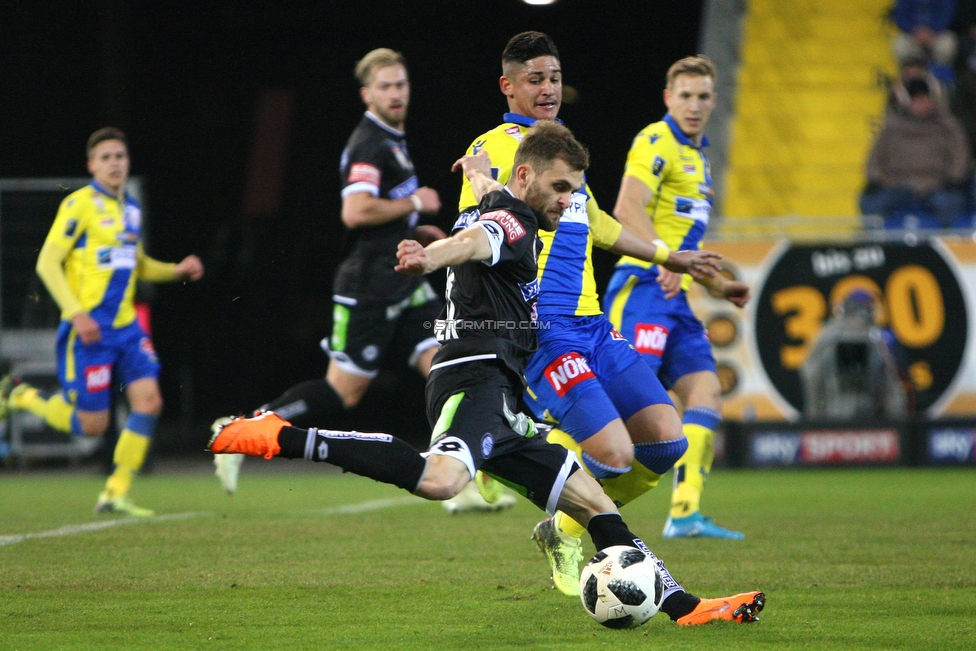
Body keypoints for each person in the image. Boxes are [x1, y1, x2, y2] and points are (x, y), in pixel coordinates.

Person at [209, 122, 765, 626]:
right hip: (472, 381)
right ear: (528, 177)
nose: (570, 202)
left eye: (576, 190)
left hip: (507, 399)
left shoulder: (504, 200)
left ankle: (689, 609)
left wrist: (476, 171)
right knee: (440, 480)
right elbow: (481, 238)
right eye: (562, 189)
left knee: (594, 502)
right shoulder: (516, 222)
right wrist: (430, 258)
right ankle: (281, 436)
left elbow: (487, 201)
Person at [458, 32, 724, 596]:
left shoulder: (561, 147)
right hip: (543, 326)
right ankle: (505, 440)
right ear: (508, 86)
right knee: (613, 451)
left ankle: (562, 525)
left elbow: (601, 226)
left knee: (665, 442)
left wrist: (675, 257)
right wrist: (481, 186)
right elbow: (475, 236)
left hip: (594, 323)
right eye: (535, 79)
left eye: (554, 77)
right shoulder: (497, 148)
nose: (548, 88)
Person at [209, 49, 514, 509]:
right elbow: (355, 211)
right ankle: (244, 427)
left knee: (447, 368)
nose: (396, 93)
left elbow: (381, 212)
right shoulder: (370, 143)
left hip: (404, 283)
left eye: (401, 84)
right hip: (369, 285)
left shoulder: (393, 139)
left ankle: (458, 481)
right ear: (367, 95)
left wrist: (416, 231)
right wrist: (415, 205)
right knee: (342, 391)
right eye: (386, 86)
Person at [0, 127, 204, 516]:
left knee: (150, 401)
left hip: (126, 328)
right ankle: (20, 396)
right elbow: (47, 262)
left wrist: (175, 270)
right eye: (106, 157)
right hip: (88, 329)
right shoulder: (80, 205)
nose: (115, 163)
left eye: (120, 156)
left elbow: (138, 264)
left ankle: (115, 491)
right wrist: (76, 314)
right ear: (92, 165)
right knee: (92, 425)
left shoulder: (131, 209)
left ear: (128, 163)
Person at [604, 56, 750, 540]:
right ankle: (567, 497)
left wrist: (719, 286)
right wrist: (665, 258)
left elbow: (683, 248)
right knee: (630, 413)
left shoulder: (699, 159)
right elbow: (626, 208)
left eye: (703, 96)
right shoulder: (655, 141)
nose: (694, 105)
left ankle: (684, 513)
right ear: (668, 98)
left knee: (706, 393)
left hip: (677, 297)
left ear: (713, 101)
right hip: (642, 289)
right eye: (685, 95)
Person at [860, 77, 971, 228]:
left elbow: (960, 155)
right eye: (918, 100)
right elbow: (874, 159)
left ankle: (947, 245)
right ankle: (879, 244)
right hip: (897, 184)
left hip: (937, 183)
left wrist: (954, 179)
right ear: (908, 101)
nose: (924, 104)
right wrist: (878, 179)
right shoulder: (891, 127)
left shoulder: (948, 126)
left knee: (951, 202)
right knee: (870, 202)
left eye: (927, 99)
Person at [799, 291, 910, 420]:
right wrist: (895, 422)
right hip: (862, 418)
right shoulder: (874, 336)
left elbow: (811, 376)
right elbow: (892, 390)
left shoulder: (827, 334)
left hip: (835, 417)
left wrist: (817, 417)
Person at [892, 0, 959, 68]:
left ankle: (939, 74)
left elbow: (947, 14)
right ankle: (912, 73)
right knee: (900, 46)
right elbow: (900, 15)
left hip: (937, 33)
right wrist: (914, 30)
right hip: (912, 33)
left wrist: (933, 30)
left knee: (947, 45)